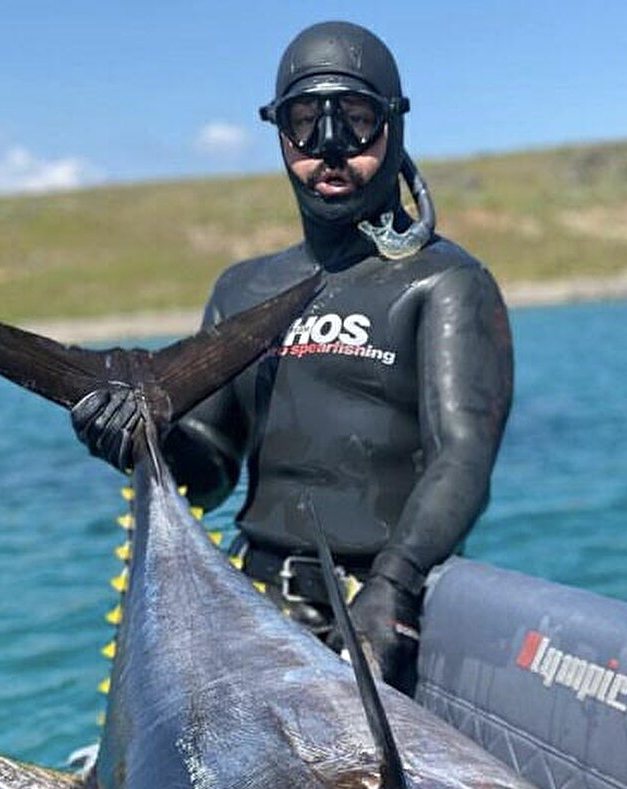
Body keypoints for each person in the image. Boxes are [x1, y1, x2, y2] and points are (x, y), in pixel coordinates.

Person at [72, 20, 513, 695]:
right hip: (253, 613)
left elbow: (463, 456)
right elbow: (212, 471)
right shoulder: (243, 289)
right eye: (305, 124)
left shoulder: (446, 282)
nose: (330, 151)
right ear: (278, 132)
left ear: (395, 125)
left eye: (357, 121)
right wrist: (140, 441)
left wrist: (395, 585)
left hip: (381, 613)